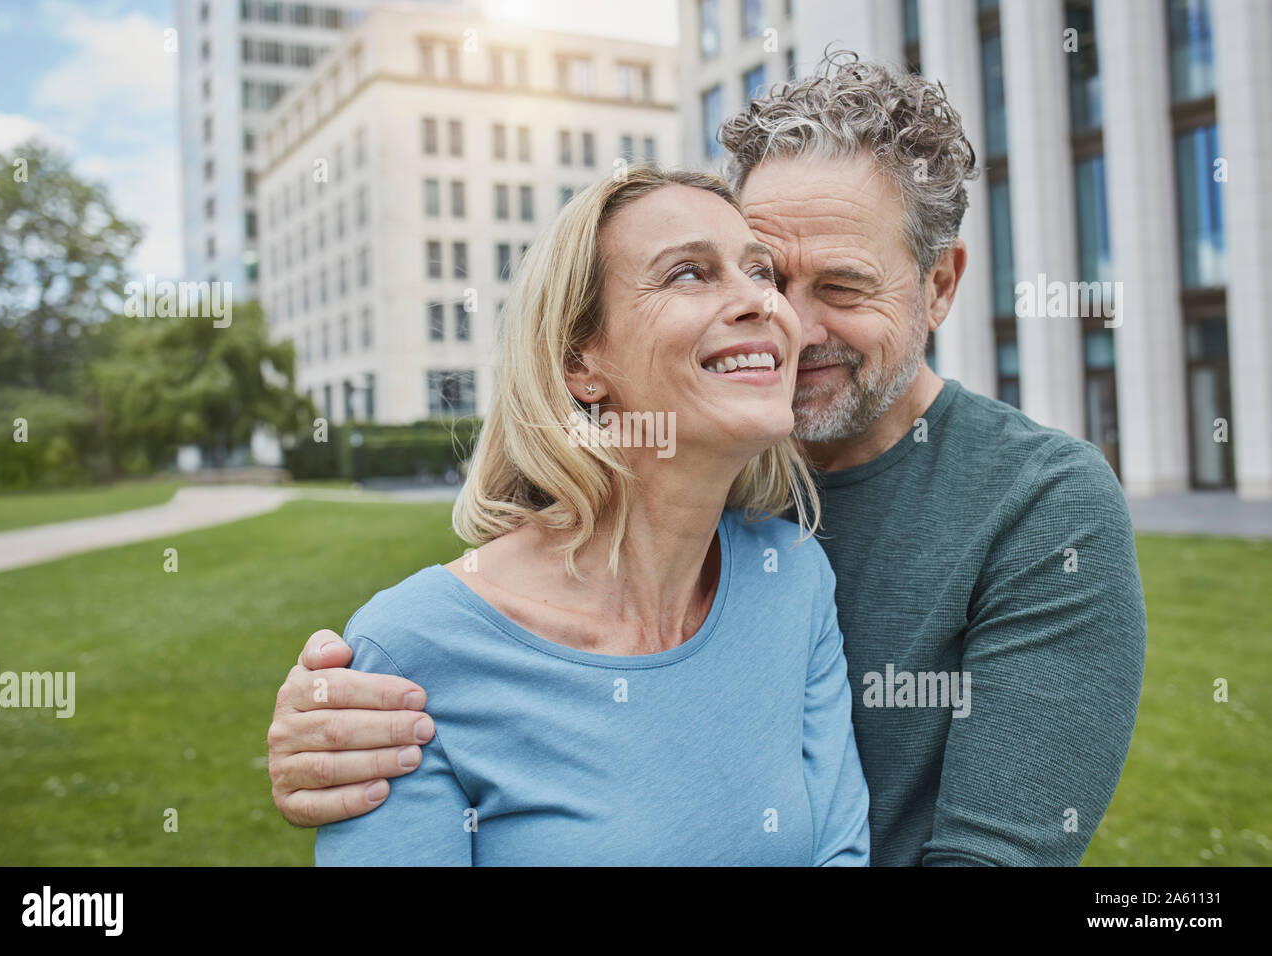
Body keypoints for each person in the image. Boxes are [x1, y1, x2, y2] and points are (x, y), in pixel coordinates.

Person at [269, 52, 1147, 866]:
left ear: (941, 286)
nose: (787, 326)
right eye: (762, 272)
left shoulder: (1034, 507)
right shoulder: (694, 451)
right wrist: (334, 724)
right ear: (584, 361)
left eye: (839, 288)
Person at [312, 165, 870, 865]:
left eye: (760, 272)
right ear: (582, 363)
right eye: (689, 274)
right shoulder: (411, 647)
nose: (761, 302)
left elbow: (839, 854)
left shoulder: (792, 577)